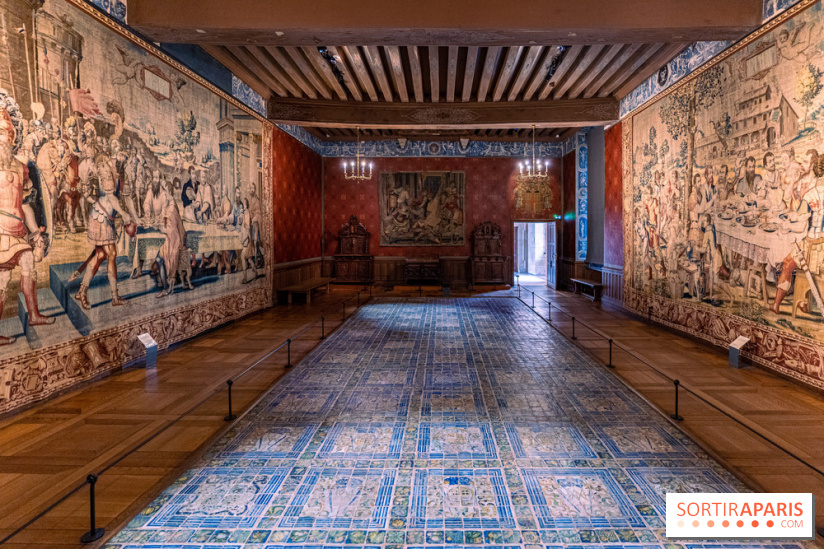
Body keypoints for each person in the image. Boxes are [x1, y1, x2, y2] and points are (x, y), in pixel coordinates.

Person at [0, 92, 55, 342]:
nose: (3, 137)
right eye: (0, 132)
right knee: (1, 281)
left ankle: (33, 314)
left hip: (18, 231)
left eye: (6, 132)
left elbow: (27, 205)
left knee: (29, 264)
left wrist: (36, 236)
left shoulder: (21, 166)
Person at [75, 154, 133, 309]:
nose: (116, 162)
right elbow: (113, 201)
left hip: (101, 216)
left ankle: (82, 291)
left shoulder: (113, 176)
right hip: (102, 219)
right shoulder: (107, 175)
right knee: (111, 254)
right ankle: (114, 297)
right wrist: (125, 214)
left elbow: (118, 199)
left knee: (101, 255)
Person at [154, 195, 191, 297]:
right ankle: (164, 282)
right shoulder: (170, 207)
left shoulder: (171, 211)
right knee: (159, 259)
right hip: (171, 240)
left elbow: (173, 232)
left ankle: (165, 288)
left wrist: (160, 229)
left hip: (174, 242)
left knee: (159, 259)